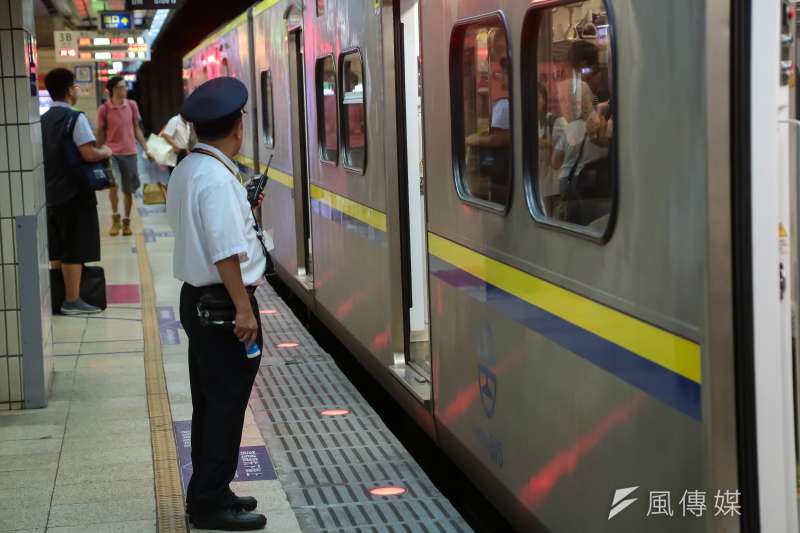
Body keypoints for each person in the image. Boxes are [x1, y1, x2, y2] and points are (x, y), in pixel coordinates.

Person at [167, 77, 268, 531]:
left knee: (210, 400)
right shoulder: (216, 178)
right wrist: (244, 310)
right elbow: (226, 250)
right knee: (226, 402)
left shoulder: (191, 168)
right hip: (224, 305)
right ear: (237, 126)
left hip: (199, 300)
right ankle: (209, 503)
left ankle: (213, 488)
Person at [41, 68, 112, 315]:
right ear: (70, 90)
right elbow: (88, 153)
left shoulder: (43, 120)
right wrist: (106, 152)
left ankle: (59, 296)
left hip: (50, 193)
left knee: (58, 247)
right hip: (75, 192)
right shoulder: (75, 118)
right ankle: (72, 300)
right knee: (75, 245)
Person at [97, 76, 153, 237]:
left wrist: (146, 149)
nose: (125, 89)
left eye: (125, 86)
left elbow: (137, 129)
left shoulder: (132, 105)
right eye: (122, 87)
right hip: (111, 153)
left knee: (129, 189)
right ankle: (115, 219)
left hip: (130, 152)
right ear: (113, 89)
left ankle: (126, 221)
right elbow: (100, 132)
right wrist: (97, 152)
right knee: (113, 186)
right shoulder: (104, 109)